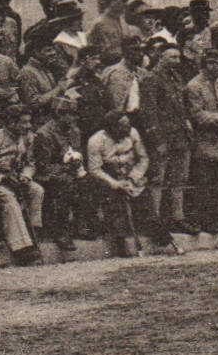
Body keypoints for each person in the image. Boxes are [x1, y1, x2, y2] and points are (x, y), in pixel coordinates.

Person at [86, 110, 172, 257]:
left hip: (131, 177)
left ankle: (161, 236)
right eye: (122, 126)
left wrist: (133, 178)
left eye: (128, 125)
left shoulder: (133, 133)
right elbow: (95, 170)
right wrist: (115, 184)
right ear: (113, 128)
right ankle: (120, 242)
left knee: (145, 202)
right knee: (115, 205)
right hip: (109, 180)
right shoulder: (95, 141)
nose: (127, 129)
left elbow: (143, 158)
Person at [136, 42, 196, 235]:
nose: (176, 61)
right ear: (160, 57)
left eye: (178, 57)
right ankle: (154, 220)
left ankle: (178, 218)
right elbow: (149, 112)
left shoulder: (176, 77)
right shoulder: (150, 79)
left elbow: (182, 106)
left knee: (179, 179)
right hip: (163, 138)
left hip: (180, 136)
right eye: (172, 57)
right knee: (157, 179)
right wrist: (158, 140)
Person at [185, 48, 218, 235]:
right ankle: (207, 221)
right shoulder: (194, 86)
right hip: (205, 143)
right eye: (217, 63)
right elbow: (197, 115)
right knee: (206, 185)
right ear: (208, 64)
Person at [0, 104, 45, 266]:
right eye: (23, 122)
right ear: (10, 122)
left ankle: (34, 233)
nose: (28, 126)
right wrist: (3, 178)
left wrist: (26, 176)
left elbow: (30, 163)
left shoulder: (27, 138)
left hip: (17, 179)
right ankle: (21, 247)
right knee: (8, 198)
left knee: (36, 190)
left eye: (29, 122)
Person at [32, 96, 88, 253]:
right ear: (58, 115)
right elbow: (43, 166)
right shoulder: (44, 134)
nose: (72, 118)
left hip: (69, 171)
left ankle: (83, 225)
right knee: (65, 183)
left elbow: (78, 152)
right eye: (69, 114)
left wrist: (77, 162)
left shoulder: (75, 131)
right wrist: (66, 167)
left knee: (89, 181)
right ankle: (60, 231)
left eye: (74, 114)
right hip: (49, 175)